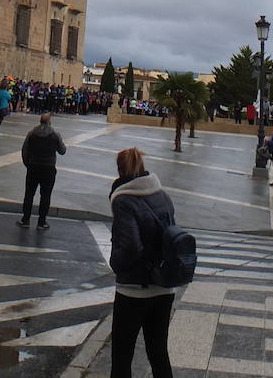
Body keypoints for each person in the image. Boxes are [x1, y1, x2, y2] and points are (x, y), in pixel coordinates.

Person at [106, 146, 176, 378]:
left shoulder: (124, 200)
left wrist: (115, 262)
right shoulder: (162, 195)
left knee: (122, 357)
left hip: (133, 290)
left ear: (119, 171)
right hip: (164, 286)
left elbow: (130, 246)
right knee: (158, 353)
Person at [18, 112, 66, 229]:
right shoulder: (55, 134)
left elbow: (24, 150)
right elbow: (62, 150)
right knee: (45, 195)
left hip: (33, 167)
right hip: (48, 168)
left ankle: (26, 220)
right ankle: (41, 222)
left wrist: (28, 164)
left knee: (29, 194)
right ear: (49, 122)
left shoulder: (32, 133)